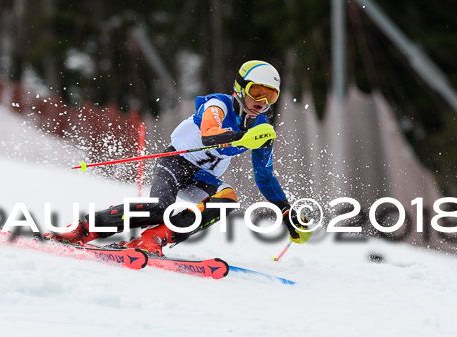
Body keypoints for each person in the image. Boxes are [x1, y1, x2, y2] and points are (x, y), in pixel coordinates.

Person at [46, 60, 309, 255]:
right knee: (160, 208)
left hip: (203, 177)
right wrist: (240, 138)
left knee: (227, 200)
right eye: (256, 92)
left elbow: (264, 177)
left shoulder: (262, 128)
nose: (261, 101)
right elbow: (209, 134)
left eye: (269, 95)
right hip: (176, 162)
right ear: (240, 88)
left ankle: (155, 239)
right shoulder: (218, 105)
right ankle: (83, 230)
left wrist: (287, 212)